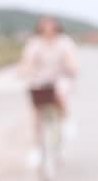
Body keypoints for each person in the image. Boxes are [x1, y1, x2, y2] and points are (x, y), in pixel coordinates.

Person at [19, 16, 78, 167]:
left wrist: (71, 67)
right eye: (45, 28)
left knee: (60, 90)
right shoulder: (34, 43)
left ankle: (66, 120)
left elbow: (71, 60)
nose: (48, 31)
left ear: (57, 28)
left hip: (60, 77)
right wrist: (24, 70)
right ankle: (37, 149)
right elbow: (27, 62)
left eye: (51, 27)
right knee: (37, 113)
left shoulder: (64, 42)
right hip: (41, 79)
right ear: (40, 29)